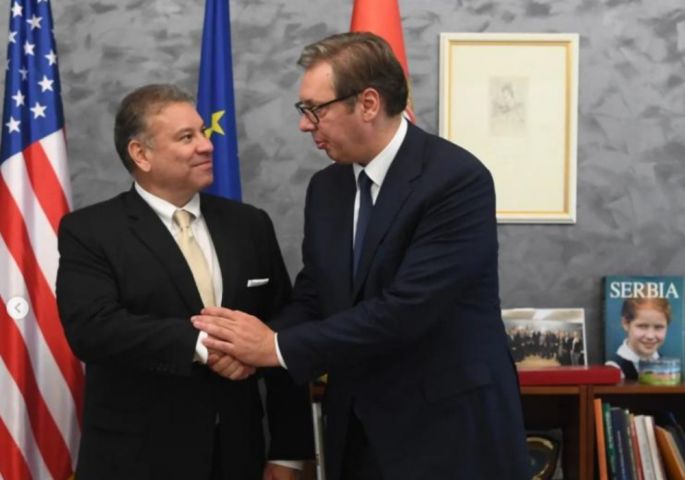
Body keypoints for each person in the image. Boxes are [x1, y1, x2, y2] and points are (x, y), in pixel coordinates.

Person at [192, 32, 529, 480]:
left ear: (368, 104)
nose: (305, 125)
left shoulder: (455, 180)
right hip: (355, 429)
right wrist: (252, 346)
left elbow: (408, 309)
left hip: (446, 430)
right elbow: (315, 295)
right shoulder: (326, 188)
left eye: (315, 109)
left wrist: (274, 347)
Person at [56, 84, 313, 480]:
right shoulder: (90, 231)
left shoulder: (250, 224)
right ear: (141, 154)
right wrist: (204, 345)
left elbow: (283, 329)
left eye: (203, 132)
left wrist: (289, 453)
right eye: (186, 137)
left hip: (238, 458)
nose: (207, 145)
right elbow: (93, 329)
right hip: (135, 462)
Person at [606, 297, 671, 380]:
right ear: (625, 323)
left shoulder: (668, 367)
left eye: (658, 327)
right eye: (642, 326)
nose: (650, 336)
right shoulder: (615, 369)